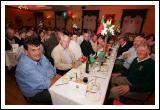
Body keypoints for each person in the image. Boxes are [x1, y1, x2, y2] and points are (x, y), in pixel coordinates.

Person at [15, 37, 60, 104]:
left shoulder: (40, 55)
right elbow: (47, 83)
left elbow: (51, 70)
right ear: (26, 52)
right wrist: (61, 80)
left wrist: (58, 77)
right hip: (36, 94)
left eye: (39, 49)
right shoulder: (26, 67)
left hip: (46, 82)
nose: (38, 53)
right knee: (62, 93)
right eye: (33, 50)